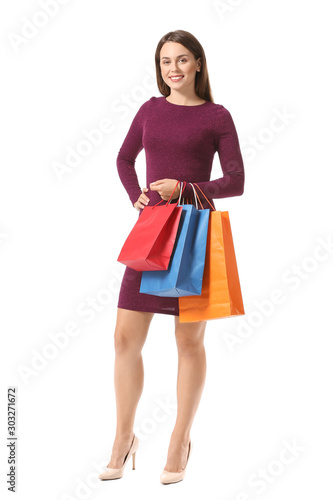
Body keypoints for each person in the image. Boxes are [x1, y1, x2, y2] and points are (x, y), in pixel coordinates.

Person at [98, 29, 245, 484]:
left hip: (195, 232)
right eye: (166, 62)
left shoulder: (216, 115)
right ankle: (124, 438)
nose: (174, 69)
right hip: (151, 231)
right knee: (125, 338)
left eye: (182, 60)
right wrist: (135, 197)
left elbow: (236, 180)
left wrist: (184, 189)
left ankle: (180, 438)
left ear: (198, 64)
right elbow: (125, 160)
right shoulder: (149, 110)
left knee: (188, 342)